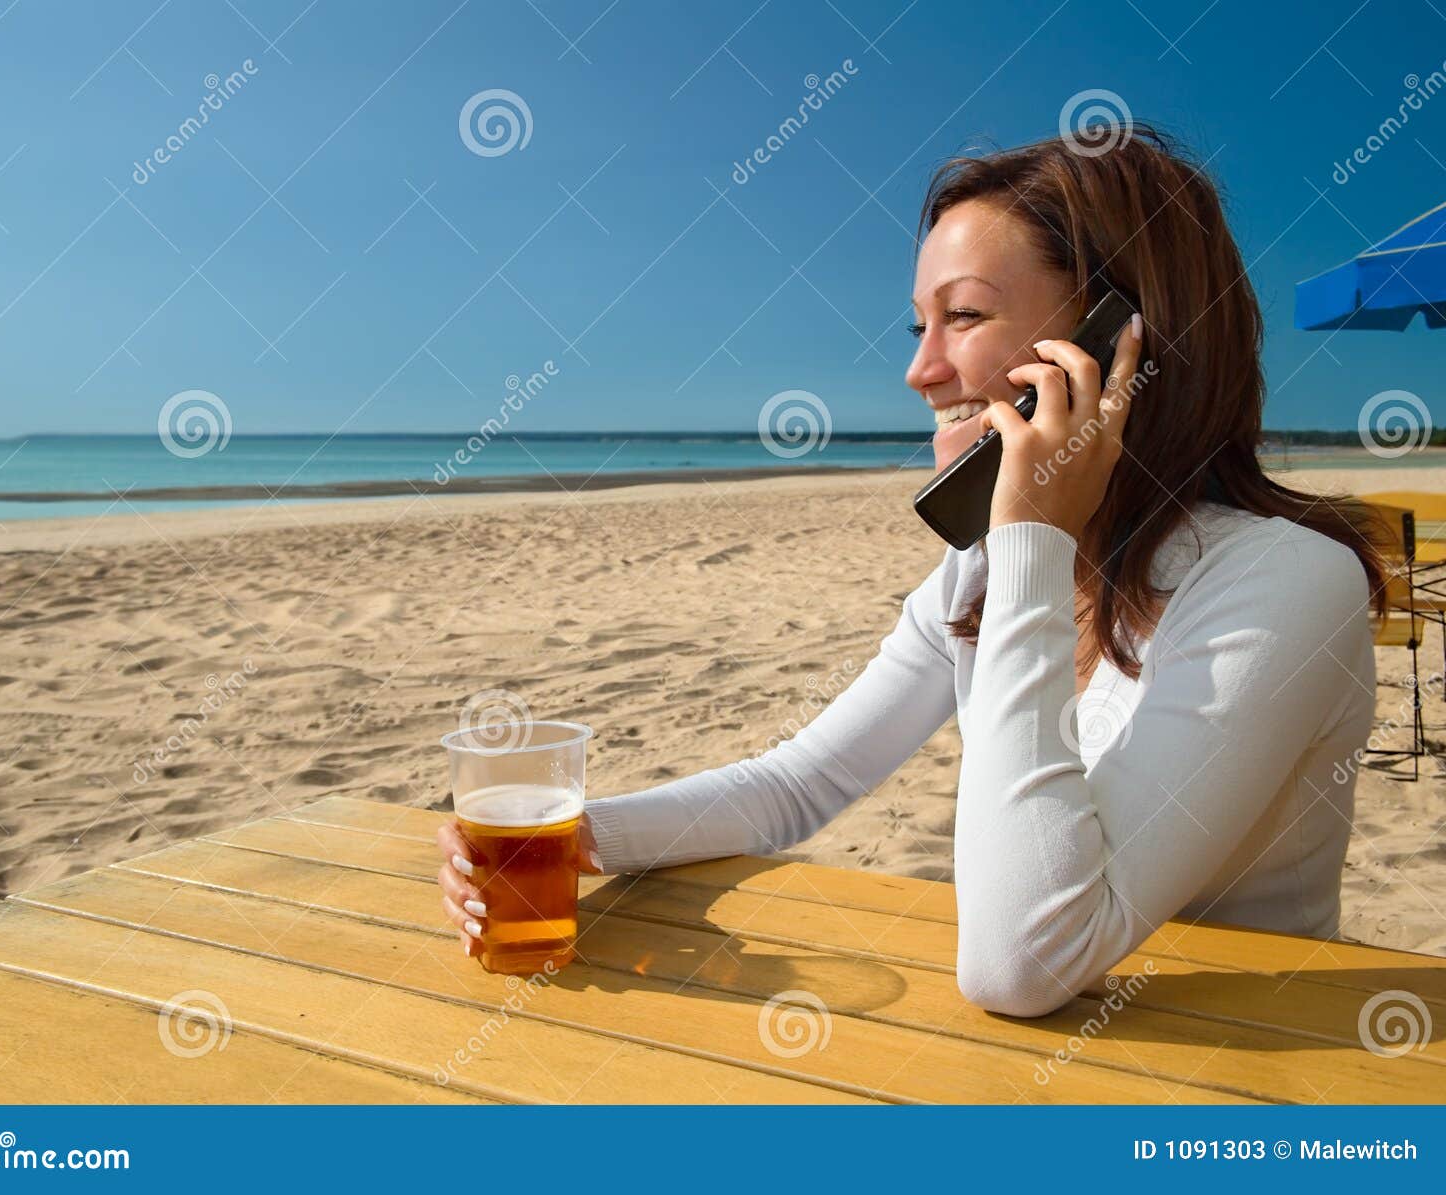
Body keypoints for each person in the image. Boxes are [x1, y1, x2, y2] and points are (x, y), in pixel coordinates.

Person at [436, 122, 1389, 1018]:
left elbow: (1023, 962)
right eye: (917, 326)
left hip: (1242, 1072)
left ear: (1115, 343)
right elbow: (798, 783)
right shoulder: (981, 573)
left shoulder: (1285, 584)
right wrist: (574, 834)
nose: (921, 370)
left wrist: (1029, 538)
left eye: (965, 315)